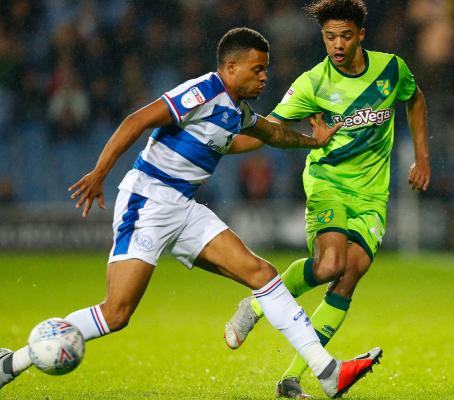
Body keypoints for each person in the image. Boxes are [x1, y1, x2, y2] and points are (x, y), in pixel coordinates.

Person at [0, 27, 382, 398]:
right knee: (117, 313)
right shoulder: (202, 92)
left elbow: (271, 133)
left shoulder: (237, 110)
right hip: (148, 203)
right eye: (258, 69)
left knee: (262, 274)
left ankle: (327, 372)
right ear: (231, 68)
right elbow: (137, 120)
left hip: (183, 207)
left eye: (266, 69)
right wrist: (100, 172)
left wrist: (310, 141)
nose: (265, 77)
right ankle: (12, 362)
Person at [224, 1, 430, 397]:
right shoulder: (311, 84)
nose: (337, 45)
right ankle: (255, 306)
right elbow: (269, 130)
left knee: (350, 273)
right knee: (330, 264)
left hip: (372, 193)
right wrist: (220, 146)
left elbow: (415, 98)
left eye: (345, 36)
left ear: (361, 36)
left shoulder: (391, 69)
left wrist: (422, 157)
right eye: (330, 36)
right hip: (328, 183)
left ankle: (291, 378)